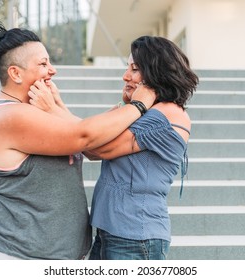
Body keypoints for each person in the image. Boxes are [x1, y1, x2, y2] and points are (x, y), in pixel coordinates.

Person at [0, 22, 156, 260]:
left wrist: (59, 108)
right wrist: (138, 105)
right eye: (42, 64)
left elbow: (82, 133)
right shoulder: (10, 115)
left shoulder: (28, 107)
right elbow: (84, 136)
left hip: (50, 254)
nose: (52, 70)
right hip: (20, 254)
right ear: (15, 73)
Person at [84, 36, 199, 260]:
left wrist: (54, 107)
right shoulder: (143, 111)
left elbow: (96, 148)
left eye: (135, 69)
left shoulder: (167, 113)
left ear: (157, 73)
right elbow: (90, 142)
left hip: (135, 238)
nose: (126, 76)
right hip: (113, 231)